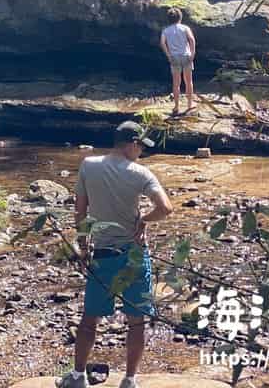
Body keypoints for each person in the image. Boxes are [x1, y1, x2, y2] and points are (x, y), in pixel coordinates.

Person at [58, 121, 172, 388]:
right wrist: (144, 219)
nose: (142, 151)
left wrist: (84, 246)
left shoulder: (89, 166)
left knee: (89, 320)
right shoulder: (141, 174)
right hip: (133, 256)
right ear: (132, 144)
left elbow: (80, 211)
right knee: (136, 321)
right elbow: (166, 208)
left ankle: (77, 377)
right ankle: (130, 380)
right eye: (141, 146)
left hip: (103, 255)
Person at [160, 8, 196, 113]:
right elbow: (191, 39)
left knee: (176, 83)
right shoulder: (185, 28)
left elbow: (162, 43)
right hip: (186, 55)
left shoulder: (166, 31)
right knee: (188, 82)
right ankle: (190, 104)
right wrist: (193, 53)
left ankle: (176, 106)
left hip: (174, 57)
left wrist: (168, 55)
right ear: (180, 17)